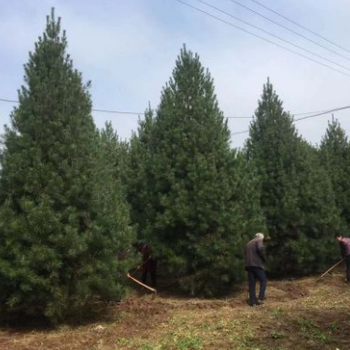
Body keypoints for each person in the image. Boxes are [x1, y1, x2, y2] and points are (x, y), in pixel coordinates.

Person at [245, 233, 267, 306]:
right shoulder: (259, 240)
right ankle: (260, 298)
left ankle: (253, 302)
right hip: (256, 264)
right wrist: (264, 259)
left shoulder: (249, 243)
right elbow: (260, 249)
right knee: (263, 280)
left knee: (252, 284)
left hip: (249, 265)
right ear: (260, 237)